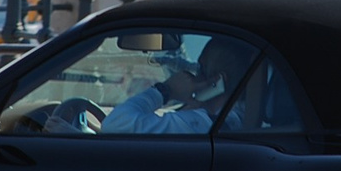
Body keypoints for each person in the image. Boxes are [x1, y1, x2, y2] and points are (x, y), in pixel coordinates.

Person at [101, 38, 255, 134]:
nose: (194, 74)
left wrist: (165, 90)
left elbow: (115, 124)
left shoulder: (199, 124)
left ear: (217, 80)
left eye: (200, 68)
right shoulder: (245, 119)